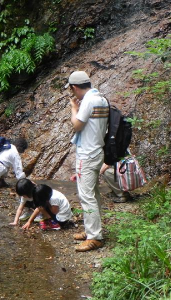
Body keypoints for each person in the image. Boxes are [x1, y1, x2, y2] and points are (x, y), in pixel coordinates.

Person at [66, 70, 109, 252]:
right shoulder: (101, 98)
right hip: (98, 150)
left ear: (75, 87)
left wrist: (74, 109)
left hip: (87, 154)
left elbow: (77, 125)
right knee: (93, 193)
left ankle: (94, 236)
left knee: (86, 196)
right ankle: (91, 230)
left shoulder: (88, 101)